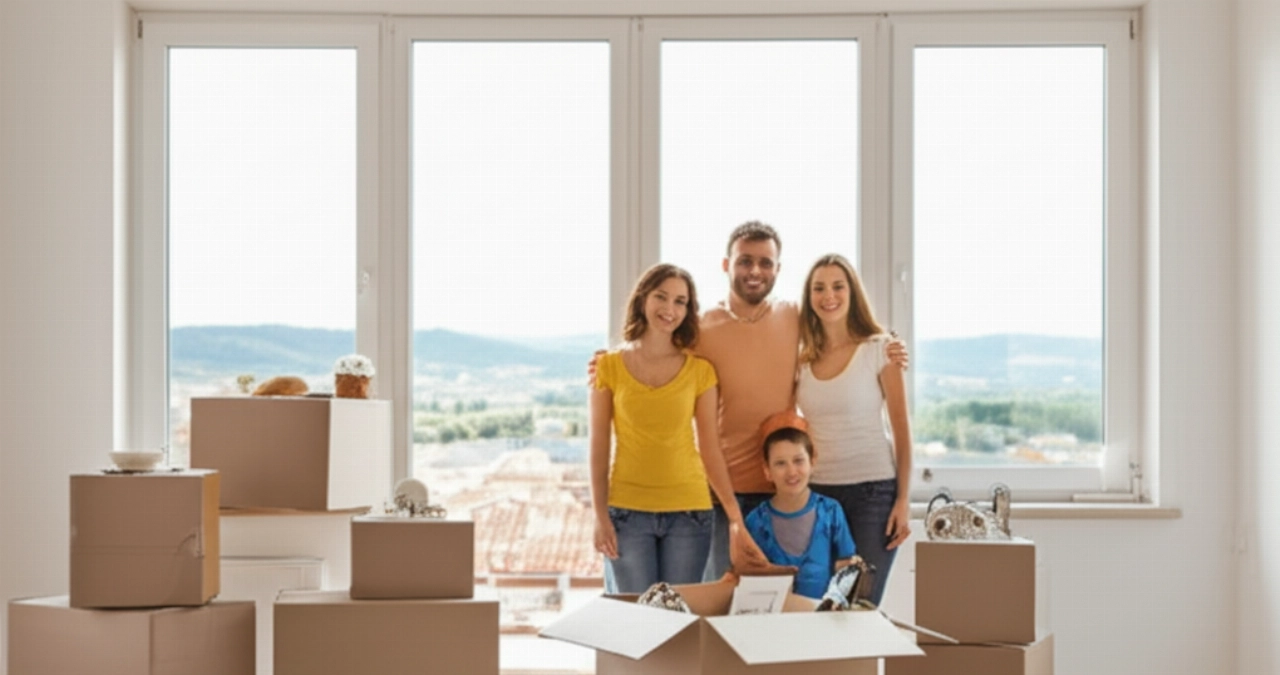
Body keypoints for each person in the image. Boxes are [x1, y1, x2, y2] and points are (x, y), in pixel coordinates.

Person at [694, 222, 909, 581]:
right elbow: (659, 347)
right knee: (733, 606)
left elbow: (839, 317)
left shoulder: (791, 317)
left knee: (806, 605)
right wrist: (614, 357)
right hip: (725, 495)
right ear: (725, 265)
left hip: (787, 491)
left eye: (766, 263)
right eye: (745, 261)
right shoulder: (701, 329)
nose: (755, 271)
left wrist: (891, 343)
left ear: (778, 269)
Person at [589, 263, 767, 593]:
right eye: (662, 297)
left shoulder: (700, 372)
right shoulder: (608, 367)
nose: (670, 309)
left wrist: (734, 517)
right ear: (643, 299)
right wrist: (600, 516)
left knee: (679, 623)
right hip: (627, 514)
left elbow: (709, 448)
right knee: (635, 623)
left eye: (680, 302)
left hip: (690, 513)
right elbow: (598, 449)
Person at [795, 253, 912, 606]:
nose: (828, 295)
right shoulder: (801, 358)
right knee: (819, 604)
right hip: (817, 495)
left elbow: (902, 433)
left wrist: (904, 500)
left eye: (837, 286)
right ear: (809, 297)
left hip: (872, 494)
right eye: (819, 288)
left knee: (861, 603)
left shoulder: (880, 350)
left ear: (852, 293)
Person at [744, 411, 857, 600]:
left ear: (812, 463)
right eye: (780, 463)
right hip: (774, 621)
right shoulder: (756, 521)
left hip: (823, 619)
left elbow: (845, 565)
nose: (791, 471)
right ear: (767, 471)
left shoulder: (831, 511)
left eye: (798, 461)